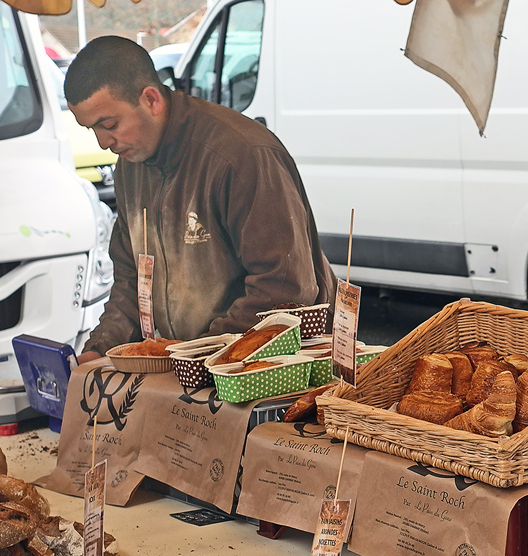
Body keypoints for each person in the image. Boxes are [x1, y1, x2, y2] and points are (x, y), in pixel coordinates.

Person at [65, 37, 336, 363]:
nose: (103, 142)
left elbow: (284, 290)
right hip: (188, 370)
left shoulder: (241, 155)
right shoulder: (129, 169)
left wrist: (193, 356)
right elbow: (130, 280)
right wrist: (100, 347)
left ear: (151, 100)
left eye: (109, 125)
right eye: (91, 130)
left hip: (269, 370)